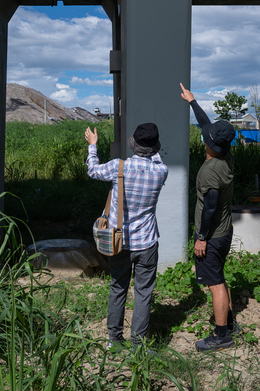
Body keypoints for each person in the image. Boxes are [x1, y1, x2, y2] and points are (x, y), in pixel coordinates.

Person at [85, 122, 169, 351]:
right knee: (143, 294)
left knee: (118, 287)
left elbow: (93, 170)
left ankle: (114, 339)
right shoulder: (161, 171)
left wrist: (93, 146)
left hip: (119, 241)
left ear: (133, 144)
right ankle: (139, 345)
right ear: (154, 148)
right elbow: (157, 157)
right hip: (147, 243)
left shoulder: (118, 167)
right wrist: (153, 145)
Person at [179, 82, 240, 352]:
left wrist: (201, 238)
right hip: (225, 232)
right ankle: (230, 324)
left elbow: (210, 206)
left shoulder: (209, 171)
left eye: (207, 138)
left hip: (212, 236)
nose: (204, 137)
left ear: (211, 145)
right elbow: (207, 127)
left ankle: (221, 336)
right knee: (221, 277)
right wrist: (192, 102)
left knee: (214, 284)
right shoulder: (226, 156)